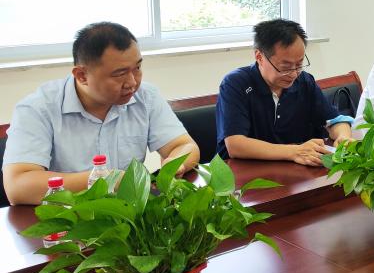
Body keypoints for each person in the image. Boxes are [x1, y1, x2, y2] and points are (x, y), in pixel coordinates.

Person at [3, 22, 200, 206]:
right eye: (120, 74)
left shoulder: (145, 96)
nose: (132, 82)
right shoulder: (37, 109)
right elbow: (18, 186)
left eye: (138, 68)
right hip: (67, 217)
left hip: (129, 216)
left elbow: (185, 146)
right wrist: (104, 181)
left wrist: (175, 163)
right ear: (82, 75)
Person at [216, 19, 353, 166]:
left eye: (299, 64)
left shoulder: (304, 81)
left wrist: (343, 136)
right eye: (285, 67)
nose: (293, 74)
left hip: (292, 169)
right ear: (259, 57)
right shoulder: (236, 83)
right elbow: (235, 145)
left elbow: (334, 120)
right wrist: (294, 151)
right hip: (243, 172)